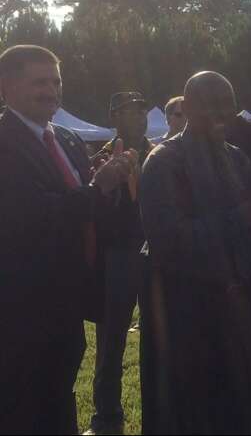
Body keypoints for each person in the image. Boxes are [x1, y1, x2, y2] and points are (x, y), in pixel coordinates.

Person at [137, 71, 251, 434]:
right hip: (186, 317)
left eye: (228, 106)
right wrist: (250, 208)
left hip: (238, 314)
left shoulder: (236, 158)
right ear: (187, 107)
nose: (223, 114)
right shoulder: (163, 162)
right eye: (212, 105)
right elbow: (171, 241)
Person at [0, 45, 135, 434]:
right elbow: (34, 215)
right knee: (23, 406)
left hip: (68, 304)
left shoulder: (69, 141)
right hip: (21, 311)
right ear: (6, 88)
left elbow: (88, 215)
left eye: (56, 81)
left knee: (60, 398)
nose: (51, 90)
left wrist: (119, 188)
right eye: (39, 82)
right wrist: (99, 186)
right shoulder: (4, 144)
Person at [85, 92, 156, 435]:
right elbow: (93, 211)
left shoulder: (159, 153)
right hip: (118, 256)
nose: (139, 117)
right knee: (111, 341)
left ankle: (158, 411)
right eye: (130, 112)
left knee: (159, 337)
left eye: (142, 111)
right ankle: (107, 416)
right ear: (114, 117)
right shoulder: (100, 157)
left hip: (157, 253)